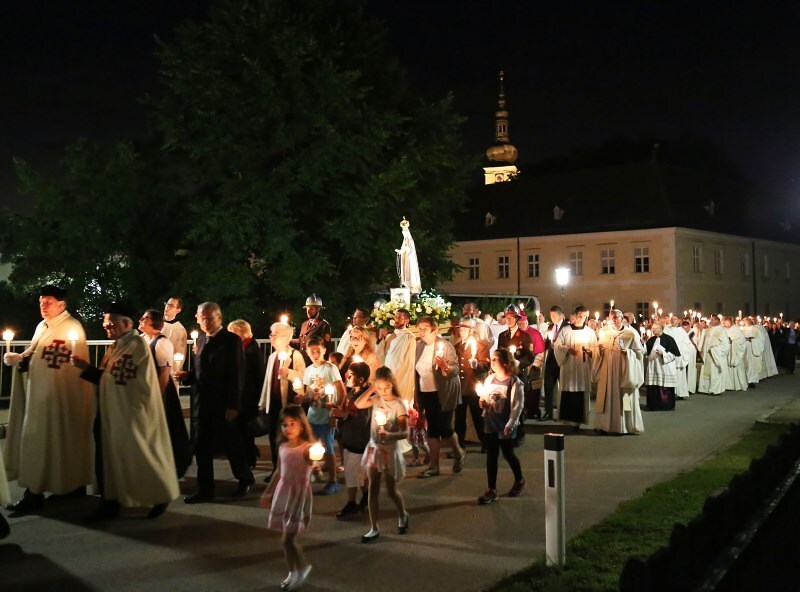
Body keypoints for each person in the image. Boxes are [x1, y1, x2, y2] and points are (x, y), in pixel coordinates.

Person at [73, 303, 179, 520]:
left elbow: (119, 380)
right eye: (105, 323)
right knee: (112, 458)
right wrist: (89, 370)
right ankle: (110, 500)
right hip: (113, 411)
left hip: (130, 413)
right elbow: (110, 378)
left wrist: (89, 371)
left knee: (139, 456)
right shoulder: (119, 344)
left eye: (112, 323)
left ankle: (158, 494)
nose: (107, 327)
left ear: (127, 324)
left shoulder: (135, 345)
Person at [3, 285, 94, 513]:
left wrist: (25, 362)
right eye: (41, 302)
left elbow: (69, 366)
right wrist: (19, 358)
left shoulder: (72, 328)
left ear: (62, 305)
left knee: (47, 444)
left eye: (48, 302)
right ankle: (69, 487)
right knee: (48, 445)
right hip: (40, 397)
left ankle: (36, 495)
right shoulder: (42, 326)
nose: (43, 306)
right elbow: (36, 354)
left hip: (58, 400)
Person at [180, 302, 254, 503]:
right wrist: (187, 376)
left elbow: (237, 373)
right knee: (202, 446)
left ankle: (244, 478)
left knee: (232, 444)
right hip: (202, 403)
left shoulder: (231, 340)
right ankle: (205, 488)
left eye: (210, 318)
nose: (206, 322)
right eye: (202, 318)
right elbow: (201, 368)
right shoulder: (202, 338)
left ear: (219, 318)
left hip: (222, 403)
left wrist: (233, 405)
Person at [259, 405, 315, 591]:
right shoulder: (282, 447)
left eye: (292, 423)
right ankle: (293, 572)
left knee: (287, 539)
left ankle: (301, 569)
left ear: (302, 425)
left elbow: (315, 468)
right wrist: (268, 492)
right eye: (284, 425)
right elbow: (278, 472)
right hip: (284, 493)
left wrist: (316, 463)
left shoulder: (307, 449)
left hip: (298, 496)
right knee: (286, 538)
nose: (288, 428)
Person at [355, 366, 410, 542]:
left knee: (391, 490)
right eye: (379, 388)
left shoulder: (398, 405)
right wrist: (372, 389)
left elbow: (405, 432)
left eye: (386, 387)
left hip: (389, 449)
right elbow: (358, 404)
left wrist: (390, 435)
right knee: (373, 487)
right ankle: (373, 527)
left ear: (392, 384)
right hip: (374, 448)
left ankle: (403, 514)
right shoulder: (376, 399)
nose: (383, 391)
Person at [139, 309, 192, 478]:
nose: (140, 319)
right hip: (146, 389)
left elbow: (164, 372)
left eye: (145, 318)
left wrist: (158, 397)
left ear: (154, 323)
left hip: (160, 391)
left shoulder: (162, 343)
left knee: (167, 429)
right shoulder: (143, 339)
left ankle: (172, 466)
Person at [414, 316, 465, 477]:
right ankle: (434, 467)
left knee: (445, 428)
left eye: (425, 328)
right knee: (433, 430)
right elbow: (417, 371)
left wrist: (445, 366)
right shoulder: (419, 346)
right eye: (419, 328)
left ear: (434, 331)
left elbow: (455, 369)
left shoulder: (446, 346)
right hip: (426, 392)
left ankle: (458, 453)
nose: (421, 332)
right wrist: (416, 396)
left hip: (444, 392)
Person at [476, 348, 525, 504]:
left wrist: (511, 423)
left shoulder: (514, 382)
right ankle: (491, 490)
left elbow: (517, 405)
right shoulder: (490, 379)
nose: (492, 362)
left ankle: (519, 480)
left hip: (505, 425)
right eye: (492, 359)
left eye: (495, 359)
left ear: (505, 362)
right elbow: (484, 398)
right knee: (492, 455)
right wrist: (482, 403)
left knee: (508, 453)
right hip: (491, 422)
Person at [259, 322, 306, 482]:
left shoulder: (295, 356)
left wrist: (290, 373)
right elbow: (267, 381)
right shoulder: (272, 356)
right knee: (274, 439)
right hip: (273, 404)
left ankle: (289, 471)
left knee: (288, 439)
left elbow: (302, 377)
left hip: (287, 405)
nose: (271, 337)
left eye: (275, 334)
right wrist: (263, 402)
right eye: (271, 334)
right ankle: (276, 469)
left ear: (285, 338)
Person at [301, 335, 345, 495]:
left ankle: (333, 481)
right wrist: (302, 397)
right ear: (307, 352)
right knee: (310, 447)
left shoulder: (330, 368)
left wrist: (335, 413)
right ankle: (314, 470)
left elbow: (341, 391)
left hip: (327, 417)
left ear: (324, 350)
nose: (315, 354)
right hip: (312, 415)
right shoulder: (308, 370)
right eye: (311, 351)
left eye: (318, 351)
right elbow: (307, 393)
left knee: (328, 448)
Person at [592, 309, 645, 435]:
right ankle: (605, 425)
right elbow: (599, 350)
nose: (615, 320)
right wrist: (599, 350)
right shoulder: (604, 332)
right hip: (608, 370)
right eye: (612, 318)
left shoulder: (631, 333)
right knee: (607, 395)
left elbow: (639, 353)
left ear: (622, 318)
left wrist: (628, 353)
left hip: (624, 371)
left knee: (625, 396)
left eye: (617, 317)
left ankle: (626, 425)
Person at [331, 362, 372, 519]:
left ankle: (351, 503)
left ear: (361, 379)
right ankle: (367, 497)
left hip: (358, 442)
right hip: (349, 440)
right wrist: (338, 414)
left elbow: (363, 421)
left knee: (352, 474)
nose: (346, 377)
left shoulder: (366, 397)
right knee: (358, 474)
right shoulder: (350, 394)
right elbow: (346, 412)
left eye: (351, 375)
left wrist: (344, 415)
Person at [228, 319, 266, 469]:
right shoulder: (247, 347)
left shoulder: (249, 351)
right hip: (247, 398)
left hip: (248, 399)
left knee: (245, 432)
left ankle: (249, 461)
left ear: (241, 333)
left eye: (233, 333)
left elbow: (251, 378)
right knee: (244, 432)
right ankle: (250, 456)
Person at [554, 306, 597, 429]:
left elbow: (595, 349)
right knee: (568, 391)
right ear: (575, 315)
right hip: (569, 366)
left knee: (581, 392)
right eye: (579, 316)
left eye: (584, 316)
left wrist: (590, 352)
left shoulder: (590, 332)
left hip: (583, 367)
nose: (581, 319)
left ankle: (579, 420)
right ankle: (568, 420)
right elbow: (557, 345)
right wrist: (567, 349)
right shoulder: (565, 330)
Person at [454, 317, 490, 450]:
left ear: (471, 330)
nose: (461, 331)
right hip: (460, 387)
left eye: (464, 328)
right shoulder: (457, 346)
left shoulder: (480, 345)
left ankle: (486, 444)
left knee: (478, 417)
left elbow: (486, 365)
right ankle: (458, 446)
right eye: (460, 328)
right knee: (459, 419)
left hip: (474, 386)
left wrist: (477, 366)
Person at [376, 307, 416, 403]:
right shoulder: (389, 336)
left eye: (399, 318)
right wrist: (381, 338)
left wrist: (401, 373)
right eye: (395, 317)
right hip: (388, 372)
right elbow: (380, 353)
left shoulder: (410, 337)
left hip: (403, 375)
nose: (396, 320)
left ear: (406, 320)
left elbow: (409, 361)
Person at [643, 322, 681, 411]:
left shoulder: (669, 339)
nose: (652, 330)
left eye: (654, 328)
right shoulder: (651, 339)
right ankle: (653, 405)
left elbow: (674, 355)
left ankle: (666, 405)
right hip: (653, 366)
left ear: (660, 329)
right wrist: (642, 344)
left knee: (664, 386)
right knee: (653, 386)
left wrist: (662, 353)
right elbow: (645, 351)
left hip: (664, 367)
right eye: (652, 328)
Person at [540, 306, 566, 422]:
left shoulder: (567, 327)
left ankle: (563, 412)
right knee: (548, 387)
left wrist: (557, 346)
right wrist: (547, 343)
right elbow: (546, 343)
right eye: (551, 316)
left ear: (561, 315)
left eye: (554, 316)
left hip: (562, 361)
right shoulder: (550, 327)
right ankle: (548, 412)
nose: (552, 318)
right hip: (551, 360)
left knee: (563, 388)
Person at [697, 316, 730, 395]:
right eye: (710, 320)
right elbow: (702, 342)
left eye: (712, 320)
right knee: (705, 372)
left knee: (714, 372)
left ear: (717, 321)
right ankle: (705, 389)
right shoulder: (707, 330)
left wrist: (714, 350)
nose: (710, 321)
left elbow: (725, 345)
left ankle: (715, 390)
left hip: (715, 355)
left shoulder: (722, 330)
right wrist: (700, 350)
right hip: (706, 354)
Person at [295, 294, 332, 364]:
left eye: (311, 309)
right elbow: (301, 343)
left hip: (314, 363)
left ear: (318, 309)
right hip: (302, 363)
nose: (308, 311)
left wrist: (323, 365)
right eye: (307, 308)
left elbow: (326, 347)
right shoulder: (304, 324)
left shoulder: (324, 325)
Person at [664, 317, 695, 399]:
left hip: (679, 356)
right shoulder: (666, 330)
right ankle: (670, 392)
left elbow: (686, 343)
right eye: (672, 319)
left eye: (675, 319)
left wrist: (682, 352)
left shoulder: (681, 331)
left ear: (678, 321)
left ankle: (680, 393)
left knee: (680, 375)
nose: (673, 321)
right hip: (669, 355)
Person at [162, 297, 188, 378]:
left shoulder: (179, 329)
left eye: (171, 306)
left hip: (167, 371)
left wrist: (172, 372)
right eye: (166, 304)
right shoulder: (156, 323)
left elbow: (179, 355)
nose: (167, 307)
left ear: (178, 310)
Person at [395, 217, 422, 294]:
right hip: (407, 259)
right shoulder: (405, 240)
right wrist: (400, 251)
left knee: (410, 272)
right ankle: (407, 286)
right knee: (406, 272)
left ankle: (412, 288)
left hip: (410, 260)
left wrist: (400, 251)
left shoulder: (409, 240)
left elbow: (408, 248)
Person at [723, 317, 747, 392]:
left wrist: (732, 341)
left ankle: (738, 385)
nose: (726, 325)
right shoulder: (726, 330)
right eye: (725, 323)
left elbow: (741, 340)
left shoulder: (736, 329)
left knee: (737, 369)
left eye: (727, 323)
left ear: (730, 322)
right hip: (728, 352)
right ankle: (729, 385)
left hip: (735, 352)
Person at [742, 317, 764, 388]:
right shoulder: (742, 329)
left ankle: (751, 381)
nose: (744, 323)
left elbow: (761, 339)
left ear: (749, 321)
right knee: (746, 364)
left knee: (752, 365)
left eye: (745, 321)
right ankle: (746, 379)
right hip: (745, 349)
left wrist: (752, 340)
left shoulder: (756, 330)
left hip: (753, 349)